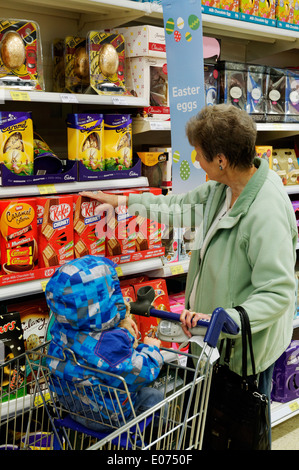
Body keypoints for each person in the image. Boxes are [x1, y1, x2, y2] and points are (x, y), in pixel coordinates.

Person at [81, 104, 298, 445]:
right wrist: (121, 201)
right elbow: (177, 208)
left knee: (247, 425)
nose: (196, 161)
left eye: (199, 154)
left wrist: (228, 318)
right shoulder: (222, 189)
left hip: (247, 346)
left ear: (221, 159)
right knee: (220, 426)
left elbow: (279, 291)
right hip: (216, 342)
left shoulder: (264, 211)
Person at [45, 255, 165, 432]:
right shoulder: (109, 343)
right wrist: (152, 350)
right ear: (102, 301)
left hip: (72, 405)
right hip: (107, 415)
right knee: (155, 398)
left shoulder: (60, 327)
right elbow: (139, 375)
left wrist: (121, 324)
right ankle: (154, 442)